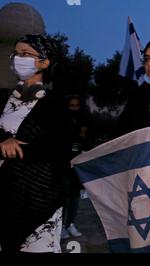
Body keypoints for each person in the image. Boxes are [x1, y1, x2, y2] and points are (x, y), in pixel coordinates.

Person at [0, 34, 70, 252]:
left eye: (26, 54)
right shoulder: (2, 97)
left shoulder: (56, 104)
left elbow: (57, 148)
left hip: (38, 194)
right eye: (16, 54)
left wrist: (17, 149)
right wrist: (4, 139)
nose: (19, 58)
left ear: (44, 62)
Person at [61, 95, 89, 239]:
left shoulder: (83, 121)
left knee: (75, 197)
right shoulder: (63, 122)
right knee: (64, 197)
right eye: (71, 105)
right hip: (64, 166)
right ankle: (60, 227)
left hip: (77, 166)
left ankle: (70, 224)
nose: (74, 108)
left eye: (76, 105)